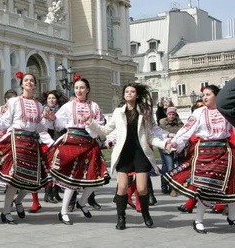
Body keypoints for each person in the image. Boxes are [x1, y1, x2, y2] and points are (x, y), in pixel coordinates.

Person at [85, 83, 166, 230]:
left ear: (137, 95)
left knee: (142, 188)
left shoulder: (145, 112)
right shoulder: (118, 112)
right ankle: (121, 218)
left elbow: (150, 136)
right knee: (122, 187)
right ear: (124, 95)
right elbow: (106, 130)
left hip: (140, 153)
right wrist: (91, 123)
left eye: (132, 91)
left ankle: (146, 214)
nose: (129, 93)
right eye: (127, 91)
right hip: (124, 153)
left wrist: (164, 144)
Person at [163, 85, 235, 234]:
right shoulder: (199, 112)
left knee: (230, 185)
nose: (205, 98)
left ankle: (232, 216)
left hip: (224, 150)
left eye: (208, 94)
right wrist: (176, 142)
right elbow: (186, 129)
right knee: (203, 188)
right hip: (204, 152)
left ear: (218, 96)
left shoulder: (226, 110)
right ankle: (198, 220)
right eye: (204, 95)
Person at [0, 73, 53, 224]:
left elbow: (39, 128)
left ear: (35, 85)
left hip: (31, 142)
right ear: (22, 84)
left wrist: (46, 118)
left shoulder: (38, 105)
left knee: (32, 180)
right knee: (14, 179)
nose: (29, 82)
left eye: (32, 80)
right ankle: (6, 211)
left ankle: (18, 201)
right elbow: (4, 122)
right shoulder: (14, 101)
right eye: (26, 80)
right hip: (17, 141)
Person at [48, 78, 108, 225]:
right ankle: (63, 211)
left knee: (95, 178)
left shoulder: (94, 106)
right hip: (73, 141)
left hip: (89, 142)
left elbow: (100, 125)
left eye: (82, 88)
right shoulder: (69, 106)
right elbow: (58, 124)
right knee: (72, 179)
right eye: (76, 88)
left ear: (88, 89)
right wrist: (51, 118)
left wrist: (91, 123)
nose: (79, 91)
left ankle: (82, 202)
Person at [38, 90, 69, 206]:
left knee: (57, 167)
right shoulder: (42, 111)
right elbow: (42, 128)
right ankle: (48, 193)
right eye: (49, 98)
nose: (51, 100)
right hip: (46, 141)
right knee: (49, 168)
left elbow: (61, 126)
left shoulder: (60, 111)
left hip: (57, 140)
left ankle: (55, 192)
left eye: (53, 98)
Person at [158, 107, 183, 194]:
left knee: (178, 167)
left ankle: (174, 186)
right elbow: (159, 133)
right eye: (170, 114)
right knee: (169, 167)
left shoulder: (180, 124)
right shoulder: (162, 124)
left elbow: (183, 133)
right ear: (167, 115)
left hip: (177, 148)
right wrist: (169, 136)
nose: (171, 116)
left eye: (173, 114)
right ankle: (170, 187)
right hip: (166, 148)